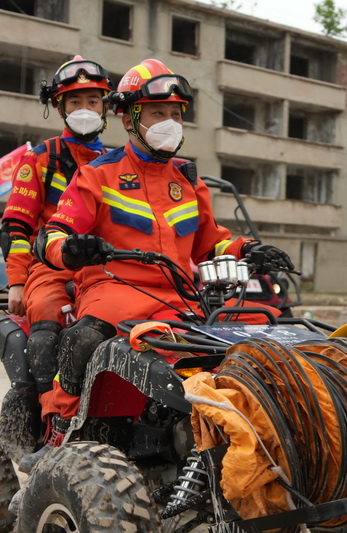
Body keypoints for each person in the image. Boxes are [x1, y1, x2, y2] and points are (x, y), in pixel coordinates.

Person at [27, 58, 293, 471]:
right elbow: (53, 235)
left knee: (249, 339)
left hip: (180, 297)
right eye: (157, 113)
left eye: (175, 113)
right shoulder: (97, 175)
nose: (169, 122)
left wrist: (246, 250)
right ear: (130, 119)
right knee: (81, 339)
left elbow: (210, 243)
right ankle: (59, 424)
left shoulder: (189, 181)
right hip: (113, 292)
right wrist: (72, 249)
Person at [0, 55, 113, 433]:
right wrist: (17, 281)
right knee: (46, 332)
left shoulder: (115, 162)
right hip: (51, 266)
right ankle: (51, 422)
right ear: (60, 107)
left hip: (106, 267)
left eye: (92, 102)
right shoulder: (40, 158)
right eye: (75, 103)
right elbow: (16, 227)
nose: (85, 110)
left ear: (105, 107)